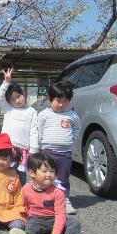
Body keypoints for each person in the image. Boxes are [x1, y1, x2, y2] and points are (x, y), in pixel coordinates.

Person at [9, 153, 88, 234]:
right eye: (44, 171)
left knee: (74, 223)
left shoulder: (57, 192)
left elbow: (60, 214)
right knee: (31, 227)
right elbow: (21, 205)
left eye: (52, 171)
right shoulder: (26, 189)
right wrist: (24, 217)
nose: (49, 174)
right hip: (36, 219)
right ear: (32, 173)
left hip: (54, 219)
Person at [37, 80, 81, 214]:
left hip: (65, 153)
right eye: (58, 101)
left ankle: (64, 200)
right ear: (50, 100)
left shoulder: (72, 115)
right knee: (45, 176)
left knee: (63, 177)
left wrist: (70, 140)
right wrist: (39, 145)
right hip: (47, 152)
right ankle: (44, 198)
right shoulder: (44, 114)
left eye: (65, 101)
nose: (61, 104)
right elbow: (39, 130)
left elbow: (77, 128)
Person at [0, 67, 38, 185]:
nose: (17, 101)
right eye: (13, 99)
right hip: (8, 147)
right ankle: (6, 198)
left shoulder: (32, 111)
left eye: (19, 96)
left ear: (23, 93)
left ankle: (21, 198)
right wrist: (6, 82)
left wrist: (34, 150)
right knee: (6, 174)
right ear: (9, 102)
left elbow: (34, 131)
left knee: (21, 176)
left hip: (24, 150)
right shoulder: (9, 109)